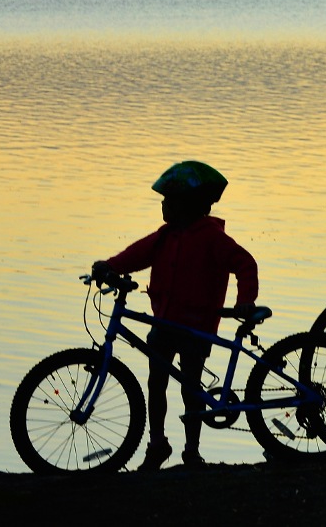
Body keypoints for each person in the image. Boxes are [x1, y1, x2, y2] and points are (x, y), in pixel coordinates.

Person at [93, 160, 258, 470]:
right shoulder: (165, 236)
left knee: (190, 387)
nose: (163, 205)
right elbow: (137, 254)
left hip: (196, 325)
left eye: (168, 200)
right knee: (156, 382)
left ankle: (192, 450)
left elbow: (245, 264)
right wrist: (111, 266)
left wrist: (245, 300)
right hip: (163, 322)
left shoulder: (211, 238)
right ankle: (157, 443)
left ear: (187, 204)